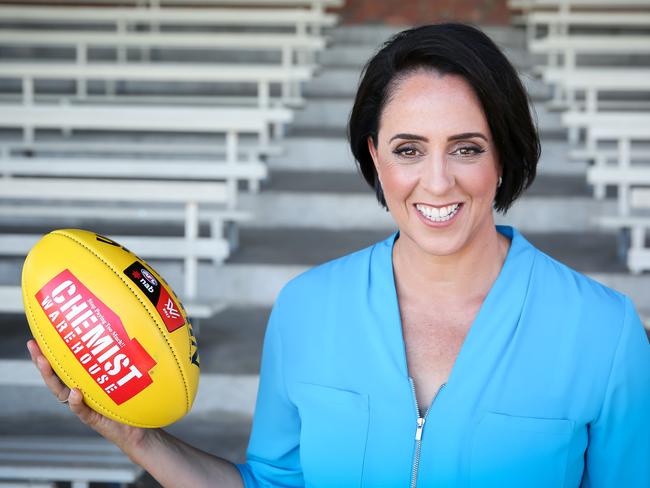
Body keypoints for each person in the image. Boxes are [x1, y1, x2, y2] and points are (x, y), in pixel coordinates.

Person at [27, 23, 650, 487]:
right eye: (409, 150)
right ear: (374, 156)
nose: (437, 181)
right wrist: (136, 437)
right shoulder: (307, 308)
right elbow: (272, 484)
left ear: (504, 156)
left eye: (466, 148)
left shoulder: (605, 331)